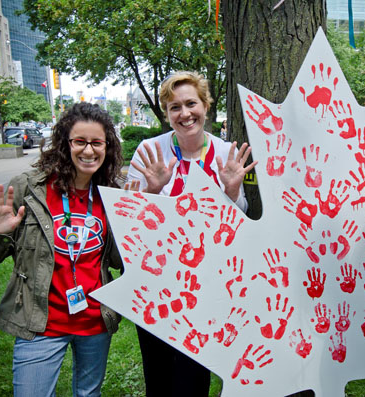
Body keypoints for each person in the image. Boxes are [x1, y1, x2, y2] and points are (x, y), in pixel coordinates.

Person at [0, 102, 124, 396]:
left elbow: (120, 262)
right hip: (40, 323)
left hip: (95, 321)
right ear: (64, 144)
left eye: (97, 143)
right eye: (80, 141)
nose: (89, 151)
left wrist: (137, 225)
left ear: (107, 147)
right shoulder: (29, 189)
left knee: (88, 394)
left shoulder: (111, 196)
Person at [127, 70, 257, 396]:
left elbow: (237, 224)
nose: (184, 114)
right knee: (158, 377)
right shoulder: (148, 151)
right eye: (174, 107)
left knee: (192, 378)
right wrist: (153, 193)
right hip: (156, 284)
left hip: (205, 289)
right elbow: (130, 225)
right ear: (166, 113)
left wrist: (231, 192)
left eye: (191, 104)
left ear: (205, 106)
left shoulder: (226, 153)